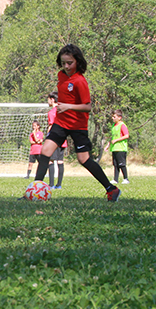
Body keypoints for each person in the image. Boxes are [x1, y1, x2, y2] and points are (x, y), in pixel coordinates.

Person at [30, 44, 120, 202]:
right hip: (61, 124)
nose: (66, 66)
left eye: (70, 63)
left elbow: (88, 107)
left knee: (83, 159)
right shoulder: (61, 76)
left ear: (77, 62)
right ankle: (34, 192)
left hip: (78, 126)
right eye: (63, 63)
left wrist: (68, 107)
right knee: (45, 152)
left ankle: (111, 189)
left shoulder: (80, 81)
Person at [46, 92, 67, 188]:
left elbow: (51, 126)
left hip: (54, 139)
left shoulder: (52, 112)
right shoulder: (63, 111)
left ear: (52, 99)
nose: (48, 101)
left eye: (48, 99)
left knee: (51, 161)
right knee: (60, 161)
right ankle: (59, 185)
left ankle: (51, 184)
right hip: (63, 139)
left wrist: (47, 138)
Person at [104, 109, 130, 185]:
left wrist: (116, 140)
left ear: (119, 117)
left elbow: (126, 135)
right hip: (114, 148)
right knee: (115, 164)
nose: (113, 118)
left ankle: (126, 178)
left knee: (122, 164)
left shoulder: (122, 125)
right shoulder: (113, 125)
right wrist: (108, 145)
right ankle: (115, 179)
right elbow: (112, 137)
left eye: (114, 117)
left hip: (121, 148)